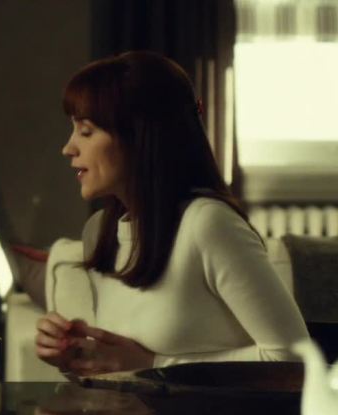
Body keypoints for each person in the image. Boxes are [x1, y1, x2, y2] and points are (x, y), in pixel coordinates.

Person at [35, 51, 309, 376]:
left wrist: (155, 365)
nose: (68, 148)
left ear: (139, 135)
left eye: (86, 131)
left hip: (202, 413)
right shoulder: (101, 231)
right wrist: (75, 352)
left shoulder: (208, 223)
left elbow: (292, 360)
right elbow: (123, 368)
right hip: (126, 411)